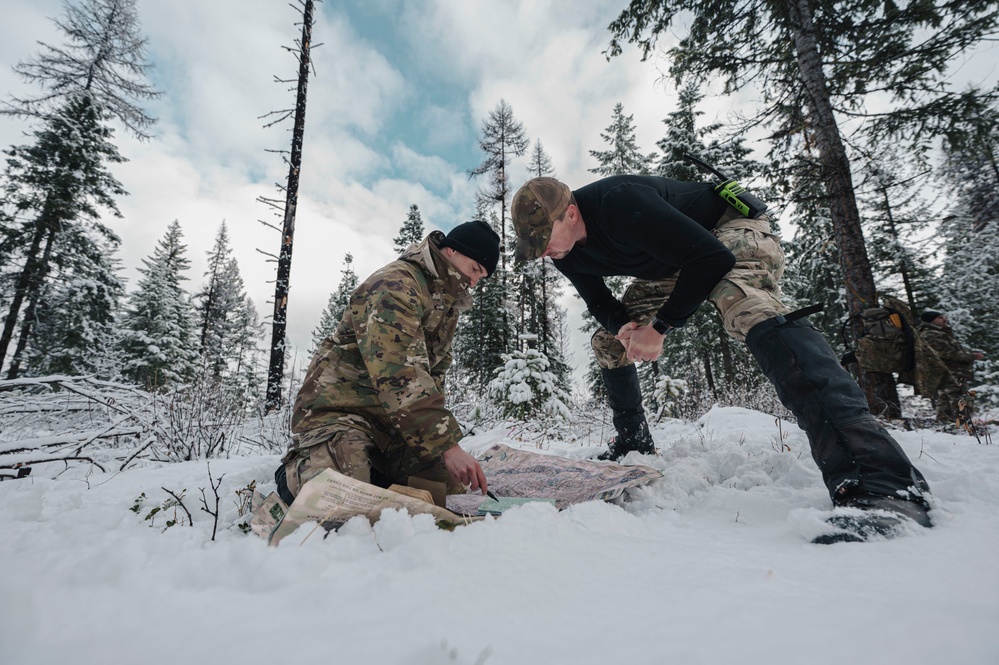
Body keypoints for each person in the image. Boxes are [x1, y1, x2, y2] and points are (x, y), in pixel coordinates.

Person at [511, 175, 932, 527]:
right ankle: (632, 442)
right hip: (674, 260)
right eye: (534, 245)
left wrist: (659, 328)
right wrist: (625, 328)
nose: (543, 251)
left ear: (570, 213)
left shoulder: (619, 203)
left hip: (729, 232)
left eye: (544, 238)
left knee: (741, 301)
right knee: (607, 341)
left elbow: (711, 258)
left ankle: (879, 481)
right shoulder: (563, 252)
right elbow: (599, 301)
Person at [274, 220, 500, 505]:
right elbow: (400, 374)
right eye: (475, 269)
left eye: (482, 277)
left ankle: (377, 474)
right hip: (343, 411)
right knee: (337, 500)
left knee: (448, 493)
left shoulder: (446, 304)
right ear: (452, 251)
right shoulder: (396, 285)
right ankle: (298, 469)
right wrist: (447, 446)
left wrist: (435, 447)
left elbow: (434, 377)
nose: (474, 281)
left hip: (394, 424)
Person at [917, 309, 983, 424]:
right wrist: (970, 356)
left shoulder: (939, 333)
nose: (944, 319)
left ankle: (945, 424)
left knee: (946, 399)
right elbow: (945, 353)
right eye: (939, 318)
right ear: (931, 321)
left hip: (948, 371)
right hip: (949, 371)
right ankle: (963, 424)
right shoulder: (931, 334)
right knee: (959, 397)